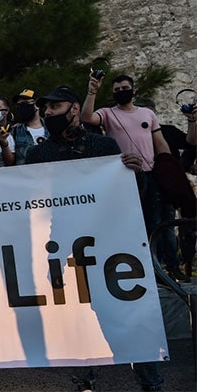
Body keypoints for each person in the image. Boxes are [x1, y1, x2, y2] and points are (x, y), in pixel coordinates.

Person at [26, 85, 162, 392]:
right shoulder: (38, 155)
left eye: (54, 107)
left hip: (109, 248)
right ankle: (84, 382)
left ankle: (150, 381)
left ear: (74, 109)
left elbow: (129, 196)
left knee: (125, 316)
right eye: (45, 109)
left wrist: (134, 173)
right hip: (62, 248)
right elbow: (25, 199)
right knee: (76, 320)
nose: (48, 113)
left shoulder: (105, 147)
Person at [80, 74, 175, 281]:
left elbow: (160, 144)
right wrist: (92, 91)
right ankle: (140, 269)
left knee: (156, 222)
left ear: (134, 90)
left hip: (150, 175)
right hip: (122, 176)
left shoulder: (148, 114)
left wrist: (168, 167)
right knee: (131, 223)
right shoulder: (107, 113)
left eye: (125, 88)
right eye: (116, 90)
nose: (121, 92)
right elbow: (86, 118)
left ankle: (163, 270)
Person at [133, 97, 194, 281]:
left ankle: (172, 267)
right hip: (146, 184)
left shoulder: (168, 131)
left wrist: (192, 120)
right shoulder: (134, 133)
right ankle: (155, 267)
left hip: (166, 185)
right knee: (152, 226)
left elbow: (191, 141)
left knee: (167, 225)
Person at [9, 89, 49, 165]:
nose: (22, 107)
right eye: (18, 105)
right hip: (26, 175)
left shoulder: (52, 128)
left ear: (37, 105)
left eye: (25, 103)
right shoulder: (14, 132)